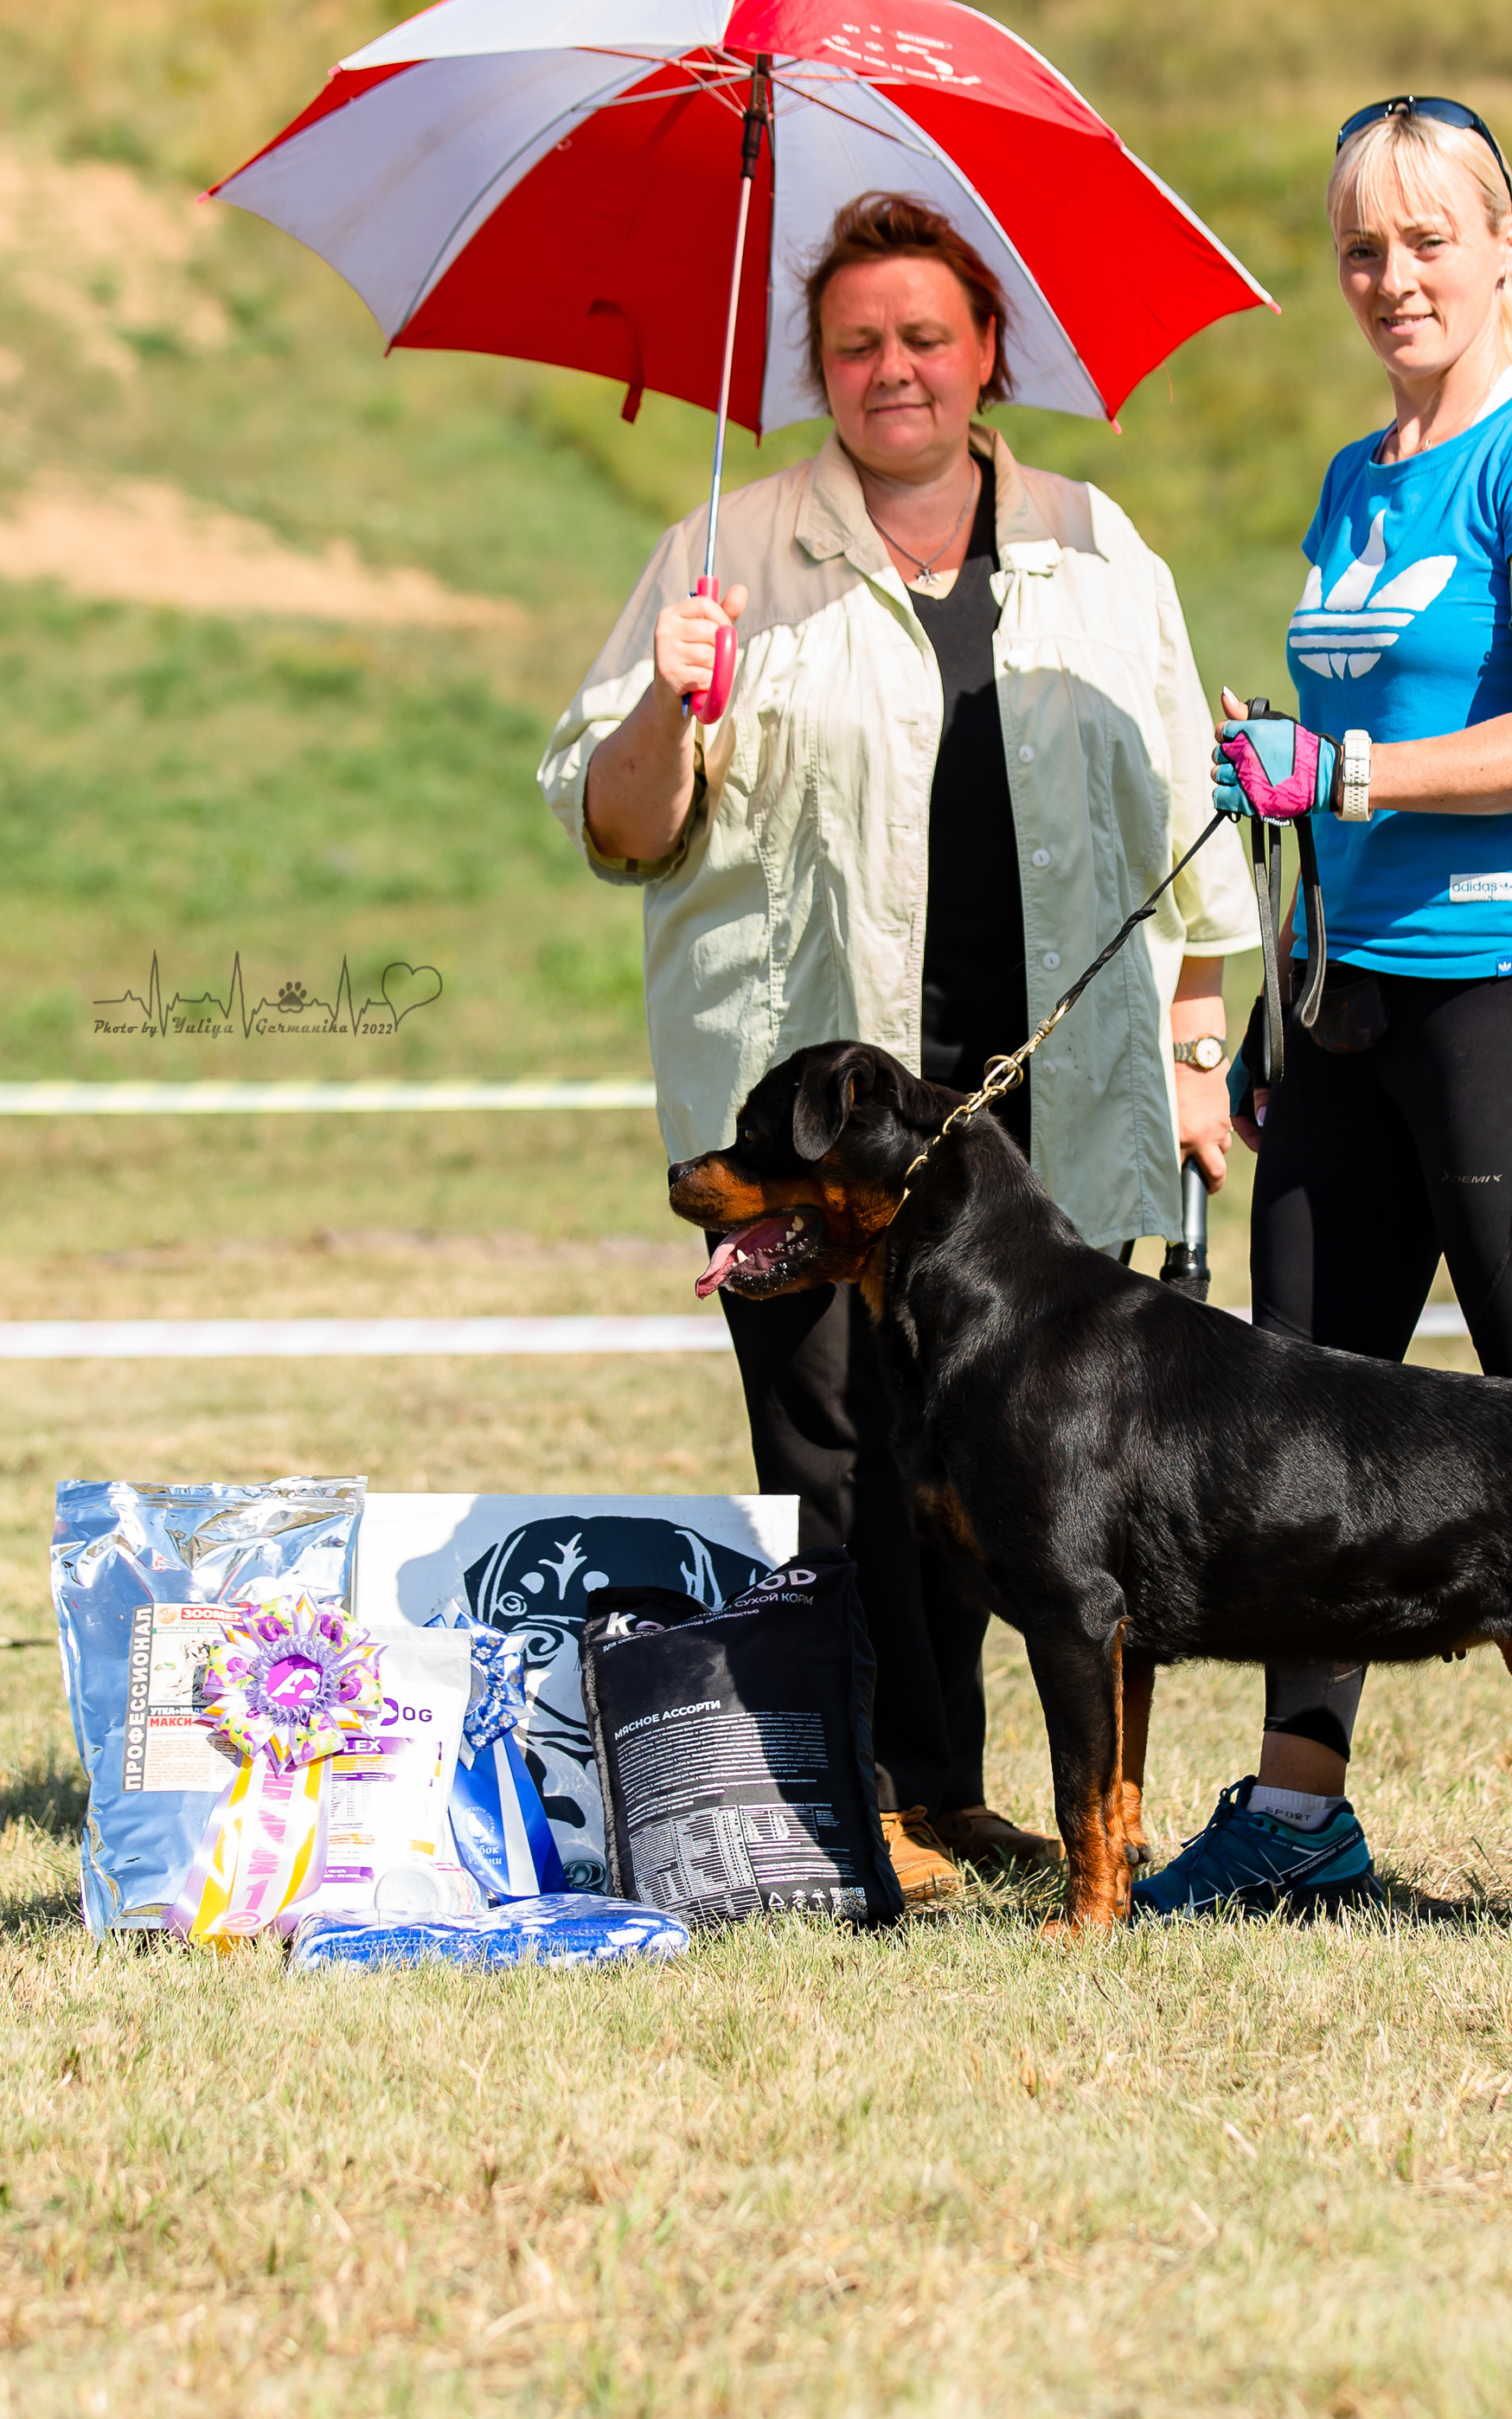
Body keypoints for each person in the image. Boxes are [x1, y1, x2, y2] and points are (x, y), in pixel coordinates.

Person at [539, 193, 1259, 1908]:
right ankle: (861, 1793)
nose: (893, 369)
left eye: (925, 335)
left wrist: (1191, 1041)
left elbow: (1185, 800)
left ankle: (949, 1793)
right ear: (817, 365)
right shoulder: (726, 554)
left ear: (987, 349)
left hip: (1031, 1109)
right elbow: (617, 828)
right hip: (813, 1114)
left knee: (1004, 1448)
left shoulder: (1098, 545)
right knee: (832, 1450)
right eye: (856, 342)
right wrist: (670, 698)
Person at [1131, 97, 1512, 1940]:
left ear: (1506, 242)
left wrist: (1347, 772)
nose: (1393, 277)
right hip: (1339, 1004)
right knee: (1290, 1416)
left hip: (1506, 1003)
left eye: (1429, 238)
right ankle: (1298, 1812)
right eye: (1362, 247)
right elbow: (1342, 749)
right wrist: (1282, 889)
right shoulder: (1354, 478)